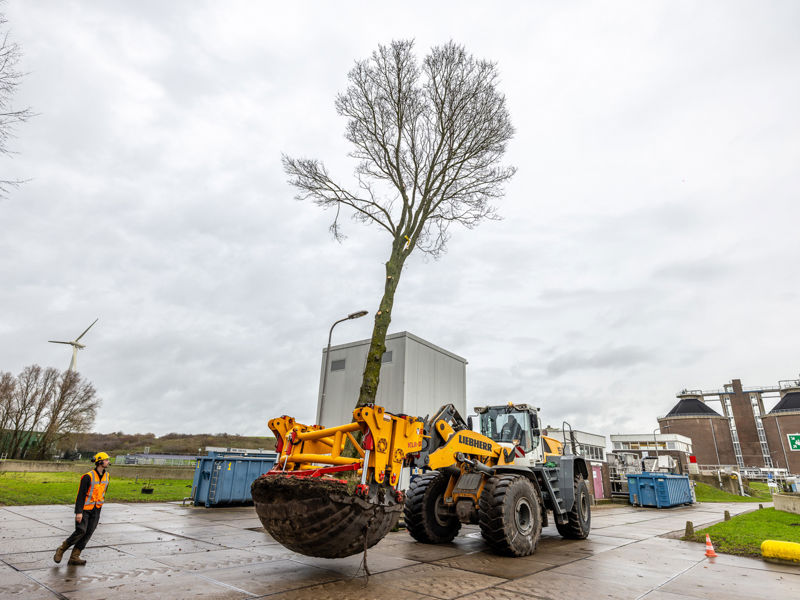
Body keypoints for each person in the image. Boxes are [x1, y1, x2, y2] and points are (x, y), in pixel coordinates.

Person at [53, 452, 110, 566]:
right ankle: (61, 549)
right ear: (100, 461)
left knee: (88, 532)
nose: (108, 462)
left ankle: (74, 557)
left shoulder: (107, 476)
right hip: (84, 509)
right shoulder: (87, 476)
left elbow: (104, 491)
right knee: (81, 531)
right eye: (106, 460)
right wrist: (78, 512)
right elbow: (80, 495)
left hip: (96, 509)